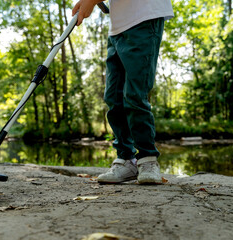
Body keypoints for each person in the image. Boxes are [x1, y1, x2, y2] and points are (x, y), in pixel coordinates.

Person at [72, 0, 174, 184]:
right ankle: (126, 159)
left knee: (135, 95)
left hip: (144, 16)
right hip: (117, 27)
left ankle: (147, 159)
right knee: (113, 98)